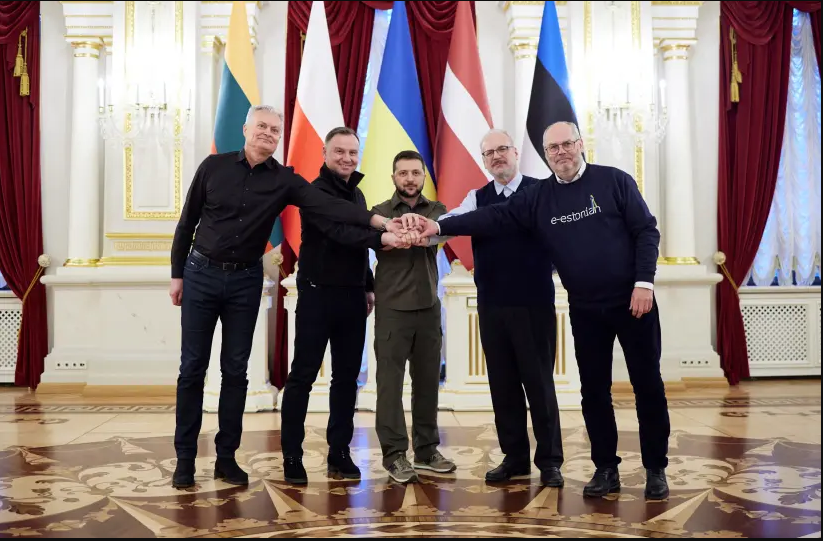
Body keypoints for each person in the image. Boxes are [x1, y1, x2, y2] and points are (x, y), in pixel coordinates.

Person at [410, 121, 671, 501]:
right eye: (553, 148)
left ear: (580, 144)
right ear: (545, 154)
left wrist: (644, 282)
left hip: (634, 302)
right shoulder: (539, 197)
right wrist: (436, 226)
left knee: (647, 386)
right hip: (585, 309)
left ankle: (656, 469)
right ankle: (605, 468)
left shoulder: (614, 181)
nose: (561, 152)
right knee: (594, 392)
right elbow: (491, 217)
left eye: (567, 144)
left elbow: (646, 230)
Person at [168, 105, 408, 490]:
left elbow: (329, 205)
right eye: (261, 126)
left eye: (275, 129)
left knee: (236, 371)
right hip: (201, 274)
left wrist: (378, 222)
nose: (268, 133)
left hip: (246, 279)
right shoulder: (213, 166)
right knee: (192, 368)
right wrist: (177, 274)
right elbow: (187, 222)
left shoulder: (285, 180)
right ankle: (185, 460)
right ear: (245, 129)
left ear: (280, 137)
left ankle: (226, 458)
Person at [427, 129, 563, 487]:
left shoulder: (542, 190)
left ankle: (550, 461)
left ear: (515, 152)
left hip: (534, 306)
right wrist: (420, 230)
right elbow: (450, 224)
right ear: (484, 161)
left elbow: (562, 237)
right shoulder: (477, 198)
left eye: (503, 149)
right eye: (489, 153)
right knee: (503, 386)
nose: (497, 156)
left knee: (539, 386)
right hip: (492, 307)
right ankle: (514, 458)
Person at [279, 127, 409, 485]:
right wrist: (383, 237)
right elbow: (341, 234)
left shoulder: (358, 193)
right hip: (317, 296)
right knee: (302, 377)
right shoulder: (314, 192)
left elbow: (357, 250)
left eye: (352, 152)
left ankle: (339, 452)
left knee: (346, 378)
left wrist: (367, 287)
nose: (347, 158)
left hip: (352, 297)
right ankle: (292, 455)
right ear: (324, 153)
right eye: (339, 151)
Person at [370, 150, 456, 484]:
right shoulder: (379, 213)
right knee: (389, 386)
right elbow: (376, 240)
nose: (409, 179)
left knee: (427, 383)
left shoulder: (437, 210)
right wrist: (394, 235)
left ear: (423, 176)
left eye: (415, 173)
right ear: (393, 177)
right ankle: (394, 455)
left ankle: (427, 451)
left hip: (428, 309)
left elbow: (443, 232)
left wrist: (423, 233)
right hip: (392, 310)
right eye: (403, 173)